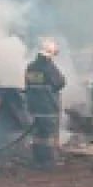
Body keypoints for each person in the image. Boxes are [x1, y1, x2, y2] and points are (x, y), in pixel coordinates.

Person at [25, 38, 67, 168]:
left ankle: (38, 160)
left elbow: (31, 85)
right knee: (49, 136)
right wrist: (51, 65)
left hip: (35, 107)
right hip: (48, 107)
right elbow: (60, 82)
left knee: (37, 135)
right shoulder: (48, 67)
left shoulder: (31, 67)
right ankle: (49, 161)